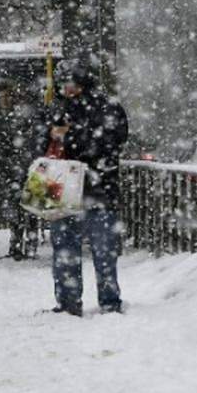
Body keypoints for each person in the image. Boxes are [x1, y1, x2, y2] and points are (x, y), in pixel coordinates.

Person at [40, 58, 129, 316]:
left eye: (71, 83)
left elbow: (109, 141)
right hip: (90, 188)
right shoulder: (104, 107)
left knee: (91, 250)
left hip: (88, 189)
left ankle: (100, 302)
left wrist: (66, 136)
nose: (67, 88)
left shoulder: (97, 108)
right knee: (79, 250)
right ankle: (82, 302)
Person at [0, 78, 42, 260]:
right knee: (15, 207)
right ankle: (18, 244)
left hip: (23, 166)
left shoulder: (19, 116)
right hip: (11, 167)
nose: (5, 100)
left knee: (28, 207)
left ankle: (28, 244)